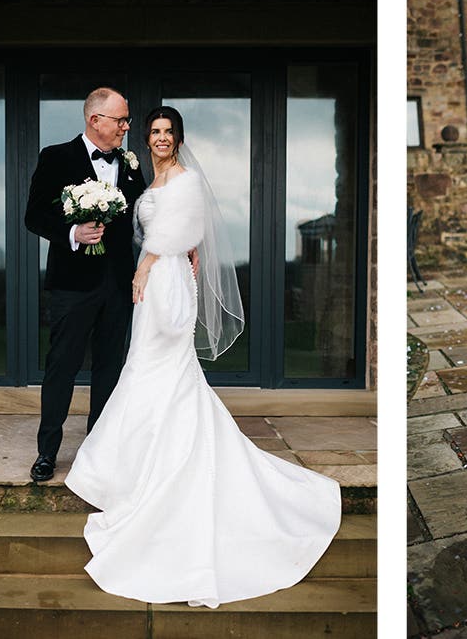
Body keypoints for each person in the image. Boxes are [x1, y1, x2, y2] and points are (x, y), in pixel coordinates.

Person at [64, 106, 341, 608]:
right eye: (154, 131)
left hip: (166, 282)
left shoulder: (186, 180)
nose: (161, 138)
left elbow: (180, 232)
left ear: (178, 138)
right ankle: (142, 468)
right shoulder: (149, 180)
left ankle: (165, 471)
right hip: (152, 281)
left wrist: (146, 267)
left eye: (168, 132)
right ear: (147, 138)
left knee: (161, 369)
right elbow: (152, 229)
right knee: (147, 371)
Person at [25, 87, 147, 483]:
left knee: (110, 368)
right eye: (120, 120)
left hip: (118, 284)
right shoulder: (56, 157)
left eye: (127, 120)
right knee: (62, 365)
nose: (126, 127)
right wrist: (73, 232)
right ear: (95, 120)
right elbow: (34, 215)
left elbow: (145, 217)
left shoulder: (130, 165)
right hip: (72, 285)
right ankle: (47, 451)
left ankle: (99, 450)